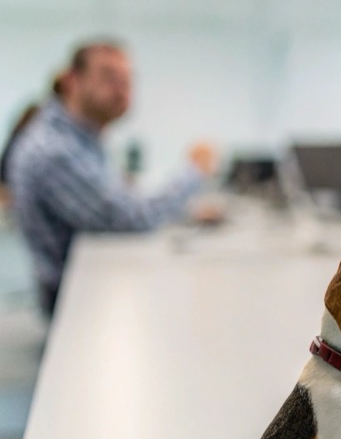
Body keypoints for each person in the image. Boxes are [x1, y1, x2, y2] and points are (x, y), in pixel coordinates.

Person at [8, 42, 217, 314]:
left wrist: (182, 211)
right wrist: (194, 171)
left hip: (89, 286)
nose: (122, 88)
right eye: (108, 76)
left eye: (127, 80)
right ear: (72, 81)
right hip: (75, 303)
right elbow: (128, 219)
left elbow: (119, 204)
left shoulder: (82, 139)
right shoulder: (54, 150)